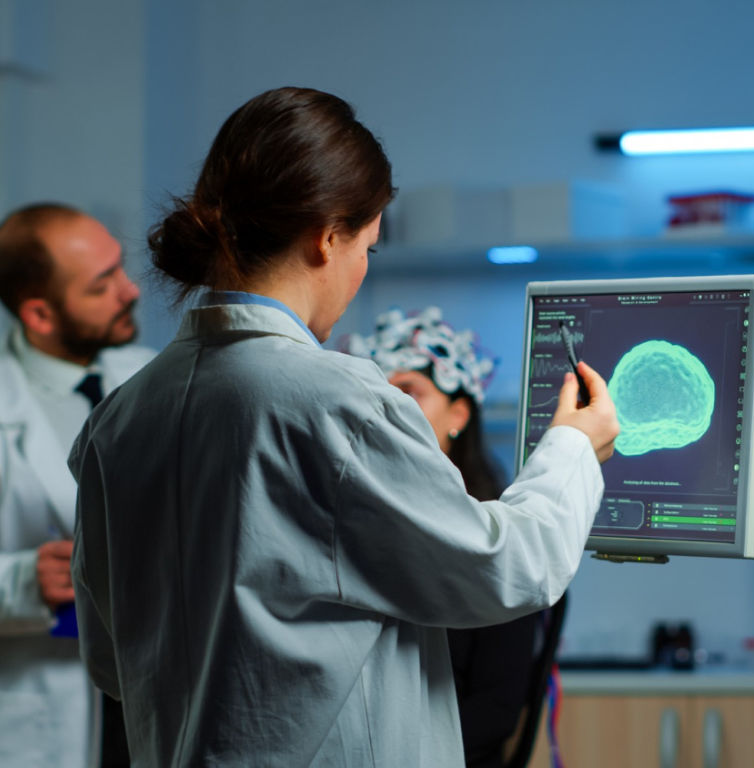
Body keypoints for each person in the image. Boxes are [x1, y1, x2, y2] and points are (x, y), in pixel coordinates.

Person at [68, 86, 618, 767]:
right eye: (368, 247)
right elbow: (507, 568)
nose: (361, 269)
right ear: (327, 237)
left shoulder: (117, 419)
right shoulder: (335, 398)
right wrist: (574, 445)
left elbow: (111, 662)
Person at [347, 306, 542, 768]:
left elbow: (495, 711)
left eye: (410, 391)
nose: (391, 409)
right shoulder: (351, 522)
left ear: (458, 413)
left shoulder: (495, 536)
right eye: (380, 394)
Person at [0, 203, 154, 766]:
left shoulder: (148, 376)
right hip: (46, 707)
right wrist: (20, 581)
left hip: (152, 690)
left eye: (119, 268)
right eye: (102, 285)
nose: (131, 290)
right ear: (39, 315)